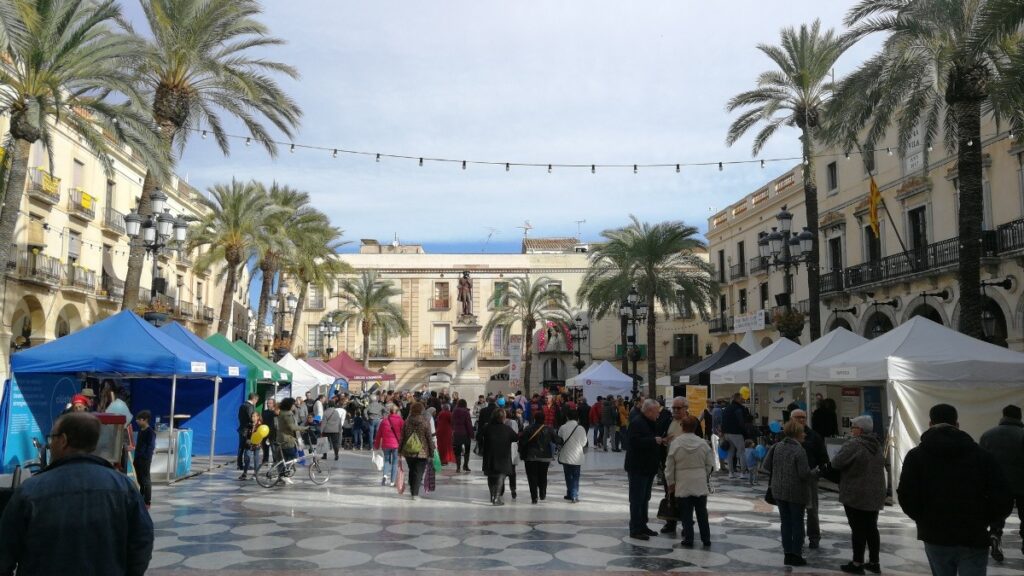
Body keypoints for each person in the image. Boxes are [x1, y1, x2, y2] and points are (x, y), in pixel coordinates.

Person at [0, 413, 153, 575]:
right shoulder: (124, 487)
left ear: (63, 440)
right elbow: (142, 541)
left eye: (52, 438)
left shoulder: (30, 491)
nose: (50, 445)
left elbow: (4, 551)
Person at [898, 404, 1011, 576]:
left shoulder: (916, 456)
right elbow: (1003, 496)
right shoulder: (982, 456)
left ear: (930, 424)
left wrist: (924, 519)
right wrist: (986, 520)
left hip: (935, 534)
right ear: (957, 425)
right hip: (973, 535)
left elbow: (906, 495)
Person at [831, 415, 886, 575]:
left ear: (859, 430)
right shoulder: (877, 444)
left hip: (856, 493)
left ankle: (857, 563)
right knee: (871, 528)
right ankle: (874, 562)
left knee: (858, 529)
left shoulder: (854, 444)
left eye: (853, 427)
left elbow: (836, 463)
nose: (851, 430)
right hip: (874, 493)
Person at [979, 404, 1024, 562]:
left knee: (998, 515)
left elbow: (981, 462)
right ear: (1019, 417)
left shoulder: (988, 435)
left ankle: (995, 535)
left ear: (1003, 415)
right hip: (1022, 484)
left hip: (997, 485)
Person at [764, 419, 812, 567]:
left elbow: (766, 465)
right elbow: (804, 474)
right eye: (802, 431)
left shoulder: (777, 446)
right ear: (797, 433)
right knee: (797, 523)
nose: (804, 434)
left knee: (785, 523)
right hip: (796, 492)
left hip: (779, 490)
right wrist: (815, 472)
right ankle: (797, 555)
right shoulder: (799, 450)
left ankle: (787, 554)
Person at [665, 415, 715, 547]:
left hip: (683, 482)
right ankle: (706, 539)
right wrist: (703, 475)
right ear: (695, 427)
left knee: (686, 514)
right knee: (702, 512)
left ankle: (688, 539)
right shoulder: (703, 443)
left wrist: (671, 483)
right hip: (699, 482)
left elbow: (669, 466)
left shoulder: (676, 443)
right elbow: (710, 464)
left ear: (682, 427)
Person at [624, 399, 666, 541]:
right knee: (637, 499)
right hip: (638, 467)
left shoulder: (650, 422)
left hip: (648, 467)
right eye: (656, 412)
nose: (658, 415)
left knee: (645, 498)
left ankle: (643, 525)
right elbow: (633, 442)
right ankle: (635, 529)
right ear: (648, 411)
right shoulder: (637, 423)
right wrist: (653, 441)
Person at [790, 408, 830, 549]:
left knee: (812, 510)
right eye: (798, 417)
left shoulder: (814, 436)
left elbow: (823, 458)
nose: (801, 419)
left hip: (809, 478)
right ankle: (797, 537)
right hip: (792, 478)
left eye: (804, 417)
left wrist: (817, 474)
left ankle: (814, 537)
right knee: (795, 510)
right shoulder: (786, 436)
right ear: (792, 419)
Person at [660, 396, 691, 535]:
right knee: (669, 494)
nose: (675, 410)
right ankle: (670, 523)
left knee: (685, 497)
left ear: (686, 408)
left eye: (678, 408)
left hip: (685, 467)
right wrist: (664, 441)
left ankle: (686, 525)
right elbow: (661, 436)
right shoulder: (668, 421)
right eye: (673, 408)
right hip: (669, 465)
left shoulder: (692, 422)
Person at [481, 408, 517, 506]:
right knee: (501, 476)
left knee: (491, 476)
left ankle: (492, 496)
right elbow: (515, 438)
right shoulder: (507, 429)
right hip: (503, 457)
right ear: (503, 418)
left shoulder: (487, 427)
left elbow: (479, 436)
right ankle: (496, 498)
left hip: (490, 456)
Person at [399, 402, 434, 500]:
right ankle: (415, 493)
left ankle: (412, 489)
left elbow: (402, 437)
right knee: (418, 472)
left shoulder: (407, 421)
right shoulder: (425, 421)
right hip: (422, 452)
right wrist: (431, 452)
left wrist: (400, 450)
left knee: (412, 470)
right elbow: (429, 438)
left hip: (408, 451)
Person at [520, 411, 556, 504]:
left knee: (532, 477)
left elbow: (522, 441)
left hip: (531, 456)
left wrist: (521, 451)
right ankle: (543, 494)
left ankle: (534, 497)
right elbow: (556, 439)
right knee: (543, 475)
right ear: (544, 419)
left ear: (534, 419)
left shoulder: (528, 428)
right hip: (545, 457)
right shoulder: (549, 429)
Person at [557, 409, 587, 503]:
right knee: (575, 476)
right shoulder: (580, 428)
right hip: (577, 456)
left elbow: (559, 440)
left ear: (567, 417)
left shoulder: (563, 427)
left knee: (568, 475)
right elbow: (584, 442)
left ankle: (570, 493)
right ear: (577, 418)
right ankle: (574, 495)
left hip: (566, 455)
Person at [276, 398, 306, 485]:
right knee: (292, 457)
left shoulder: (282, 412)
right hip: (287, 439)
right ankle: (286, 476)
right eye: (293, 404)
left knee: (283, 459)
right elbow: (292, 427)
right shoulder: (288, 414)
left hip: (281, 438)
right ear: (289, 405)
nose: (294, 406)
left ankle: (281, 476)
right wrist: (304, 428)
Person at [375, 403, 404, 486]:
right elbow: (404, 432)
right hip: (396, 445)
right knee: (395, 462)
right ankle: (392, 481)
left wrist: (376, 445)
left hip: (386, 445)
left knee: (387, 461)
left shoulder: (384, 421)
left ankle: (384, 476)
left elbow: (379, 434)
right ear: (397, 411)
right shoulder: (400, 420)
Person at [722, 393, 750, 479]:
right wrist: (745, 432)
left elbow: (723, 420)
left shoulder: (727, 408)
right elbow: (741, 422)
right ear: (737, 399)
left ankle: (731, 472)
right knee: (742, 452)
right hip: (737, 433)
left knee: (730, 453)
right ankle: (743, 473)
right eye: (741, 398)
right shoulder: (739, 408)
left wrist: (723, 432)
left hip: (727, 433)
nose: (743, 400)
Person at [134, 410, 157, 507]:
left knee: (146, 479)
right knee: (140, 479)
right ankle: (141, 496)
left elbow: (150, 447)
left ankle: (147, 501)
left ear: (145, 420)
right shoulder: (140, 431)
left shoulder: (150, 432)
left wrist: (145, 457)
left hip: (145, 459)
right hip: (138, 458)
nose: (137, 421)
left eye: (140, 420)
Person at [237, 393, 258, 471]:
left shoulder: (242, 405)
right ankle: (246, 465)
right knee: (247, 448)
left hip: (241, 428)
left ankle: (239, 464)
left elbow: (239, 416)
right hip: (247, 430)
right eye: (256, 401)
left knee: (241, 448)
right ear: (254, 399)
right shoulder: (250, 406)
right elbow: (251, 418)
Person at [452, 398, 474, 472]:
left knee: (457, 450)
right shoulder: (466, 412)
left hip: (457, 433)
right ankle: (465, 465)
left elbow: (452, 422)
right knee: (467, 450)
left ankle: (458, 467)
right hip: (465, 433)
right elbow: (468, 424)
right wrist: (471, 434)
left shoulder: (454, 411)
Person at [261, 398, 278, 464]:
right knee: (265, 447)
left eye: (270, 403)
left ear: (273, 404)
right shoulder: (264, 412)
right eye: (267, 403)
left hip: (273, 433)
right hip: (265, 432)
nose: (268, 404)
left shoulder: (276, 412)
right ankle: (265, 460)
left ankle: (275, 460)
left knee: (274, 448)